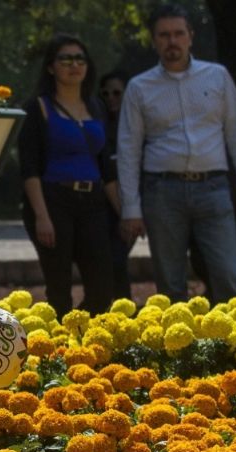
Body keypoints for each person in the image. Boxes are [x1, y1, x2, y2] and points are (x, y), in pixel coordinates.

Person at [117, 3, 236, 304]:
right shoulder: (140, 87)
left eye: (178, 34)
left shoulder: (217, 77)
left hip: (214, 187)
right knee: (169, 284)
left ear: (190, 36)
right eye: (164, 35)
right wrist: (131, 207)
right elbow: (129, 150)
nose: (172, 41)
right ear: (154, 40)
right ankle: (176, 350)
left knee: (228, 278)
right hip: (162, 190)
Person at [18, 34, 116, 315]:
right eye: (65, 59)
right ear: (51, 67)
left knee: (102, 287)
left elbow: (105, 167)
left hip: (93, 202)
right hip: (53, 201)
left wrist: (126, 212)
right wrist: (42, 216)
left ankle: (86, 342)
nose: (74, 65)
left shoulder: (96, 106)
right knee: (59, 289)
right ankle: (60, 353)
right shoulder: (37, 107)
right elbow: (29, 167)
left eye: (80, 59)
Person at [98, 70, 134, 301]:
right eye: (106, 94)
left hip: (130, 204)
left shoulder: (135, 128)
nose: (111, 98)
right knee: (109, 260)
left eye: (117, 93)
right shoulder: (99, 127)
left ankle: (123, 307)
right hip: (104, 206)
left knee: (118, 260)